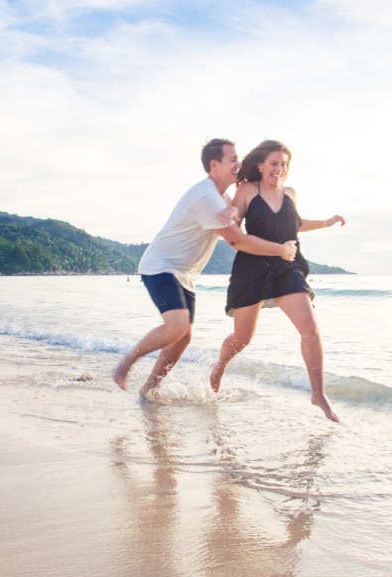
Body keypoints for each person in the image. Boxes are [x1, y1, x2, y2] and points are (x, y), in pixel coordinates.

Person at [112, 139, 298, 397]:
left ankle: (150, 387)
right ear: (214, 165)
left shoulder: (222, 197)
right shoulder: (207, 197)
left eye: (239, 159)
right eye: (232, 159)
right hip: (160, 266)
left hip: (184, 274)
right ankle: (125, 364)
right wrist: (281, 250)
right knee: (176, 327)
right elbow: (237, 241)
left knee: (184, 337)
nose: (239, 164)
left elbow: (239, 226)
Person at [208, 140, 345, 422]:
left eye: (283, 165)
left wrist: (326, 223)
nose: (279, 170)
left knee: (310, 327)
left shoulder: (291, 193)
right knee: (242, 338)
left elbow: (295, 224)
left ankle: (318, 394)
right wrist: (231, 212)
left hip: (287, 267)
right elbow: (235, 216)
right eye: (274, 164)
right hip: (252, 268)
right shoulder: (247, 190)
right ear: (260, 164)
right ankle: (218, 368)